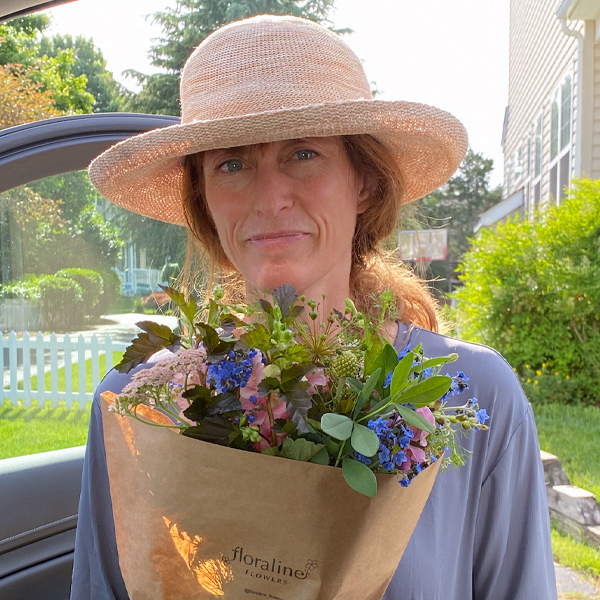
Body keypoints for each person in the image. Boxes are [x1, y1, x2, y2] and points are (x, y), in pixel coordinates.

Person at [71, 14, 557, 600]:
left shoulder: (472, 397)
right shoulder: (139, 402)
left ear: (365, 183)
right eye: (231, 163)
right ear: (203, 199)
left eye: (303, 153)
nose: (270, 197)